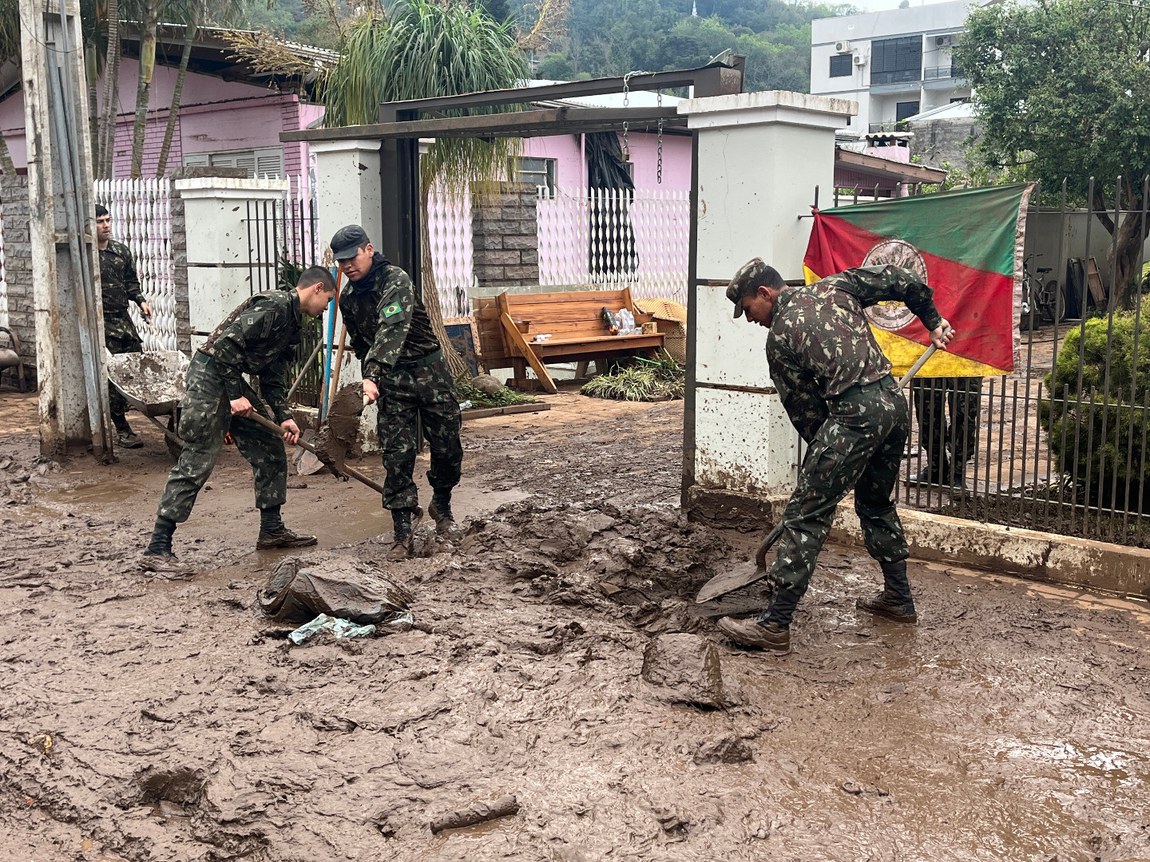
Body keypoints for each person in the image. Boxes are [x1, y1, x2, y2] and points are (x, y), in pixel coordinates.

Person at [716, 259, 954, 655]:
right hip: (894, 406)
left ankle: (775, 625)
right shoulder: (837, 287)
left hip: (854, 416)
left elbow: (806, 413)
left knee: (806, 512)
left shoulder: (779, 339)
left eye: (748, 309)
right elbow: (899, 277)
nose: (749, 319)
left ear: (765, 293)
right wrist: (932, 319)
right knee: (876, 504)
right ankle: (898, 599)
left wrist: (827, 464)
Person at [140, 266, 337, 572]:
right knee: (199, 457)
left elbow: (273, 376)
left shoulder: (293, 326)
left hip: (229, 378)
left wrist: (284, 416)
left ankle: (271, 529)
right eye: (327, 299)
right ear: (317, 288)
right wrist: (234, 396)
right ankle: (158, 547)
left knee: (269, 446)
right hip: (210, 374)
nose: (326, 307)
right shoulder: (273, 305)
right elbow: (225, 347)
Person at [329, 224, 463, 561]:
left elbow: (392, 329)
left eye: (352, 257)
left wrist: (372, 374)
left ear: (369, 249)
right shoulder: (348, 298)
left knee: (447, 448)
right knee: (397, 455)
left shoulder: (396, 280)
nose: (347, 266)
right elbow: (362, 345)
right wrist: (371, 378)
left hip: (428, 371)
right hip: (392, 382)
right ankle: (402, 531)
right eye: (341, 261)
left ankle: (441, 505)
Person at [96, 204, 152, 449]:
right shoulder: (85, 256)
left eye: (108, 220)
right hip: (99, 322)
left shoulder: (120, 251)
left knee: (136, 367)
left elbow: (131, 283)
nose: (106, 225)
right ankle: (121, 428)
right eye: (100, 221)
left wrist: (141, 302)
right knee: (111, 376)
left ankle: (138, 411)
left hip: (122, 319)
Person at [909, 377, 983, 486]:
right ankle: (936, 469)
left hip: (966, 363)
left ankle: (957, 473)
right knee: (928, 411)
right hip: (928, 365)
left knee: (965, 413)